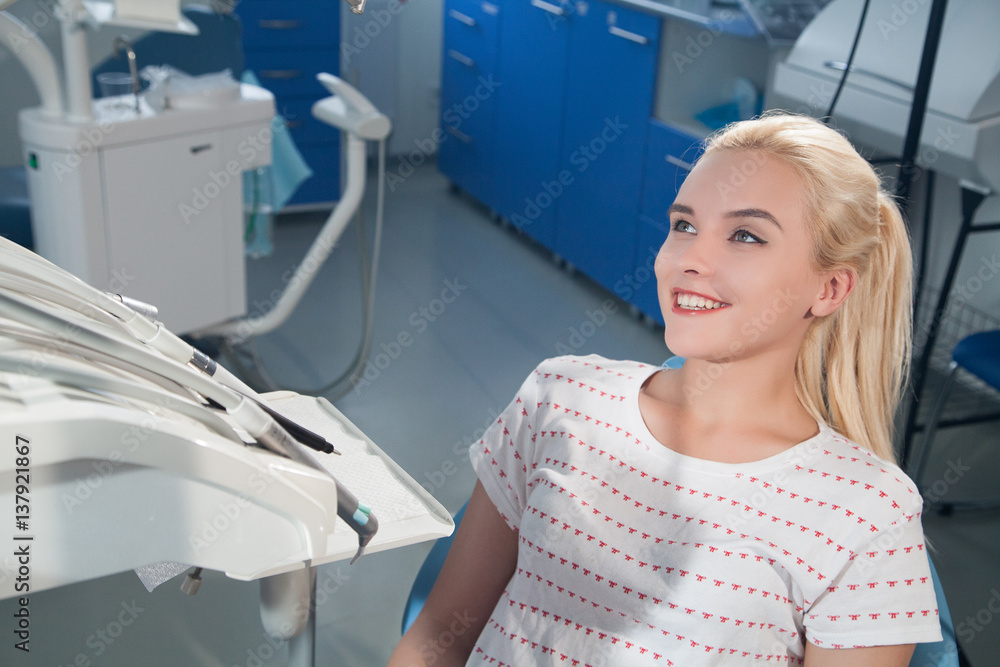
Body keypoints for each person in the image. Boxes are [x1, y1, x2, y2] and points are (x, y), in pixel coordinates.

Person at [389, 112, 942, 666]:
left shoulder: (868, 514)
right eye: (684, 225)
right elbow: (439, 636)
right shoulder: (559, 397)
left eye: (745, 235)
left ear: (830, 287)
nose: (690, 260)